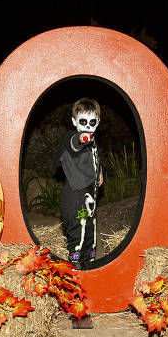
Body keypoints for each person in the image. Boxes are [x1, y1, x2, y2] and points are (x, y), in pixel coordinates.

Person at [56, 98, 104, 267]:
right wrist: (83, 138)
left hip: (89, 194)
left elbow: (94, 157)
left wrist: (99, 172)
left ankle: (88, 262)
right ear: (74, 121)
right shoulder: (73, 136)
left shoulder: (93, 141)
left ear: (97, 123)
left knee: (90, 226)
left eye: (92, 122)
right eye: (83, 121)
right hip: (75, 195)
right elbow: (77, 142)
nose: (88, 126)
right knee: (79, 227)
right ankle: (76, 264)